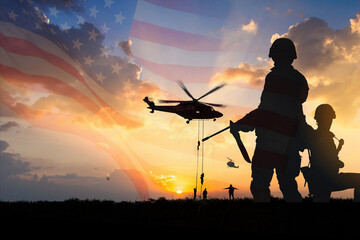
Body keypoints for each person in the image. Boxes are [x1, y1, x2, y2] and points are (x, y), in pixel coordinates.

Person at [230, 38, 309, 202]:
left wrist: (242, 124)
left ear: (276, 56)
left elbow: (266, 110)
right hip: (290, 143)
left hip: (269, 142)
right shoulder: (300, 79)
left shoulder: (274, 77)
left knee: (260, 185)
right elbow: (298, 104)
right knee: (288, 185)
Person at [301, 104, 360, 202]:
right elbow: (326, 160)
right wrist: (338, 163)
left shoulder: (319, 135)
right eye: (328, 119)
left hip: (321, 179)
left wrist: (338, 150)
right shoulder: (322, 137)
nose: (329, 122)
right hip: (327, 179)